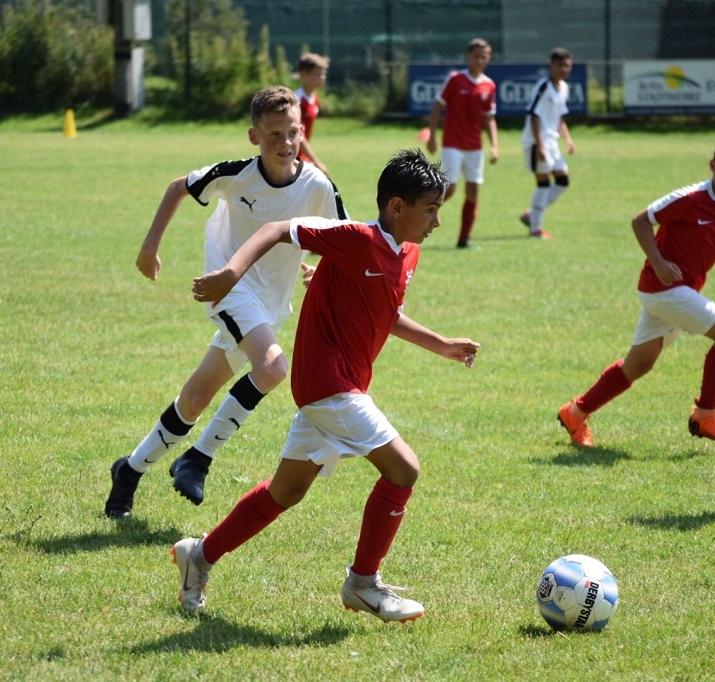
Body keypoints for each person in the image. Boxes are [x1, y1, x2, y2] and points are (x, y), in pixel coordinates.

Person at [172, 149, 480, 622]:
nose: (438, 221)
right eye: (431, 209)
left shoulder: (408, 253)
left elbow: (384, 313)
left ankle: (200, 554)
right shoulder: (356, 238)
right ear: (397, 207)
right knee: (404, 470)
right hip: (329, 385)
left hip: (343, 387)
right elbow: (277, 229)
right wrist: (232, 274)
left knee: (285, 492)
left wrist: (441, 345)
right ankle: (363, 583)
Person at [103, 85, 348, 518]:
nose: (286, 143)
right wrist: (149, 246)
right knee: (272, 368)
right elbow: (179, 186)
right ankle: (198, 459)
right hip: (226, 287)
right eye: (274, 134)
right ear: (254, 137)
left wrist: (321, 270)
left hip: (270, 304)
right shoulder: (237, 175)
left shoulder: (318, 185)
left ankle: (129, 470)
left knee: (195, 399)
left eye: (293, 133)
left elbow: (344, 242)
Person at [558, 129, 715, 448]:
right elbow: (640, 221)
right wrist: (658, 261)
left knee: (639, 364)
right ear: (713, 166)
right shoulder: (690, 198)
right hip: (664, 288)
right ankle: (706, 416)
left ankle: (575, 413)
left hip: (677, 293)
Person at [426, 38, 498, 250]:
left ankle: (464, 240)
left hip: (475, 147)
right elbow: (438, 107)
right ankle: (416, 215)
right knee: (449, 190)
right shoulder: (456, 79)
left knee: (473, 192)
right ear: (468, 57)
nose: (480, 60)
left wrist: (494, 145)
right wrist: (432, 136)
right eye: (476, 56)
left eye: (484, 57)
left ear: (489, 59)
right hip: (453, 144)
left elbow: (489, 118)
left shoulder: (489, 85)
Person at [519, 47, 575, 240]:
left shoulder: (564, 88)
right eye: (560, 65)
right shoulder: (543, 87)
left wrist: (568, 139)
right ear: (551, 65)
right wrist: (540, 146)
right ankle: (535, 229)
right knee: (543, 184)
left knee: (563, 181)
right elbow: (534, 116)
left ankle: (531, 215)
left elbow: (560, 117)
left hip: (552, 141)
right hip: (537, 141)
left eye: (567, 65)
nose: (564, 69)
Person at [295, 52, 330, 178]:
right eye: (317, 74)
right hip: (292, 157)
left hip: (302, 156)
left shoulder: (314, 99)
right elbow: (298, 134)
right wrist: (316, 162)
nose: (322, 78)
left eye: (323, 74)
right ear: (303, 74)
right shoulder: (297, 100)